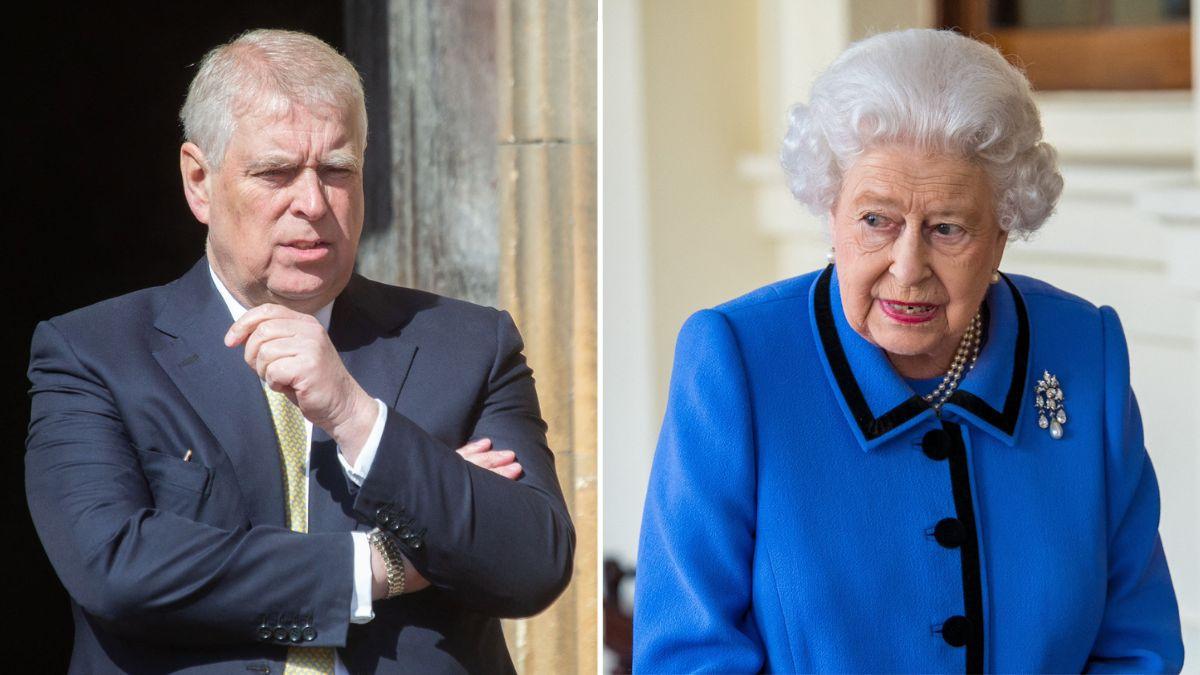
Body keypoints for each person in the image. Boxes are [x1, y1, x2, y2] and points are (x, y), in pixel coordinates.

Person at [634, 29, 1184, 673]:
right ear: (829, 209)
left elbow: (1137, 645)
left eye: (948, 228)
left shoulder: (1085, 352)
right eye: (877, 220)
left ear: (1005, 228)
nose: (908, 266)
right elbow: (687, 655)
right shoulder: (738, 363)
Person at [25, 29, 573, 674]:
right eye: (276, 173)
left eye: (337, 170)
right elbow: (115, 566)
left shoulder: (470, 345)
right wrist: (378, 565)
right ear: (199, 181)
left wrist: (355, 417)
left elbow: (532, 561)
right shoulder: (95, 353)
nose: (312, 204)